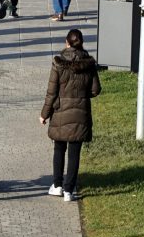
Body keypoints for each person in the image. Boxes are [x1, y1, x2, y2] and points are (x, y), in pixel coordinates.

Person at [40, 28, 101, 203]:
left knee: (59, 148)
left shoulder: (58, 63)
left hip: (60, 112)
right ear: (81, 43)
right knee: (75, 152)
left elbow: (51, 92)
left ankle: (57, 185)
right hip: (80, 112)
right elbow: (96, 89)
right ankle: (69, 190)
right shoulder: (88, 63)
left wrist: (44, 114)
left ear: (67, 43)